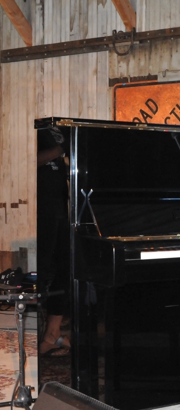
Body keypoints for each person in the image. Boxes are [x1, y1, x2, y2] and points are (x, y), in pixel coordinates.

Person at [37, 127, 71, 357]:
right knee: (40, 273)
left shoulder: (63, 126)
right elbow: (22, 160)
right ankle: (33, 335)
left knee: (64, 271)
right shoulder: (35, 127)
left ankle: (52, 334)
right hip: (37, 212)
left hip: (62, 210)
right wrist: (59, 150)